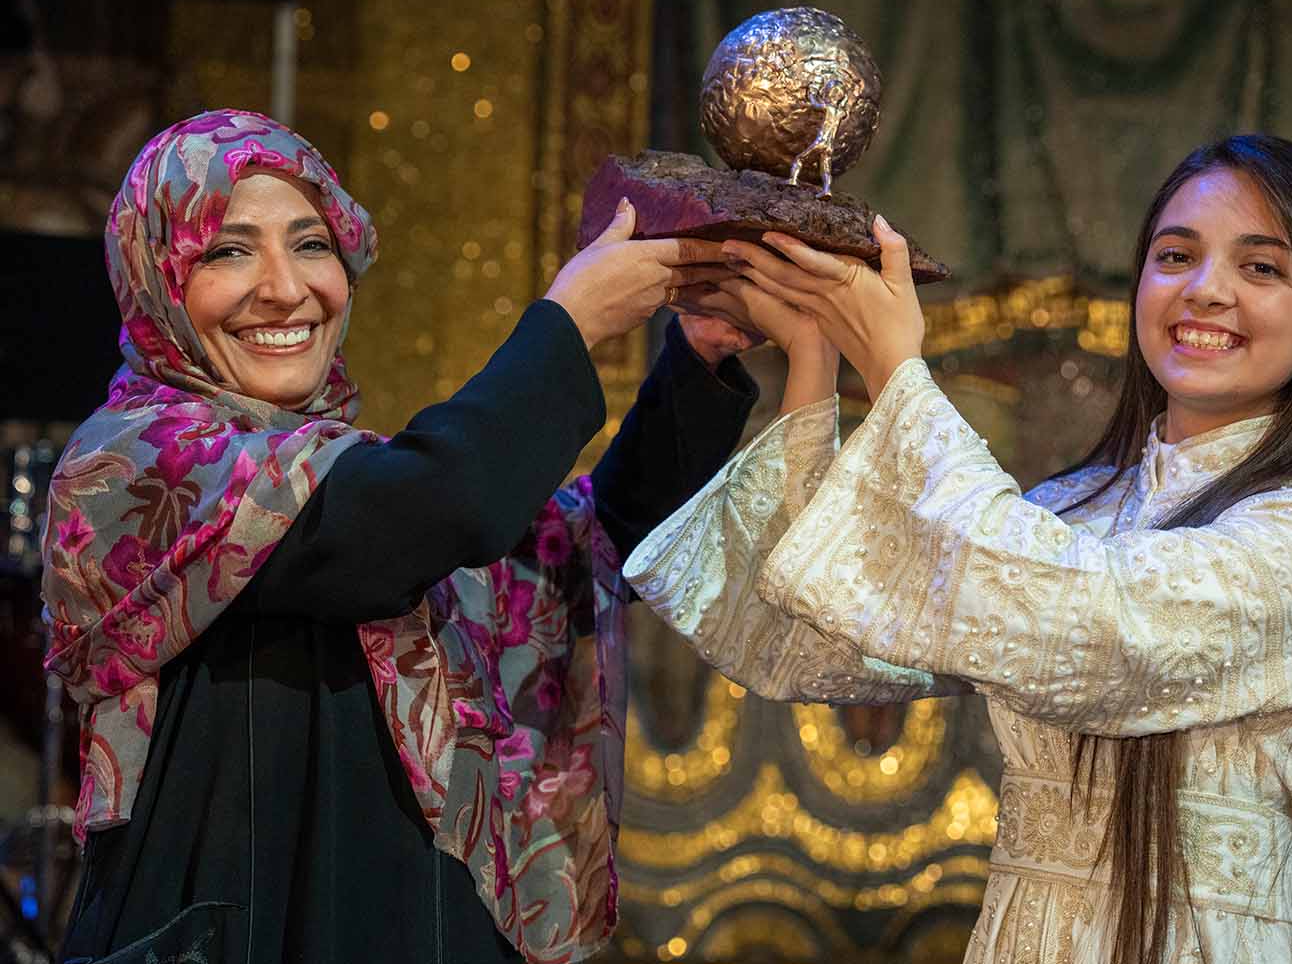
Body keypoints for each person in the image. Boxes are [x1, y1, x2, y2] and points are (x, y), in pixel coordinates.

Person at [626, 135, 1292, 964]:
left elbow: (1098, 628)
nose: (1205, 290)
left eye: (1261, 268)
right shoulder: (1070, 513)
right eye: (1175, 255)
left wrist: (897, 366)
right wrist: (816, 349)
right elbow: (813, 643)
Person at [42, 108, 763, 964]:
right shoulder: (129, 465)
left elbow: (584, 541)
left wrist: (699, 358)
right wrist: (568, 324)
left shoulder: (335, 469)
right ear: (154, 277)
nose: (284, 287)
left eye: (312, 244)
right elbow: (426, 511)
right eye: (226, 251)